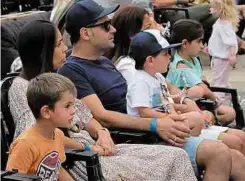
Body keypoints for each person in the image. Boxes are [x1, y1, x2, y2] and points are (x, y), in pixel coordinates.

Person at [59, 1, 245, 180]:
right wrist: (156, 124)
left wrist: (179, 108)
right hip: (130, 139)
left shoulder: (105, 62)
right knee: (219, 153)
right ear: (85, 33)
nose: (113, 29)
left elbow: (150, 94)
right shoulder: (72, 69)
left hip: (147, 131)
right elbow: (102, 116)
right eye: (106, 25)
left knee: (236, 156)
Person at [8, 20, 198, 180]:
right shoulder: (22, 89)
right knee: (169, 162)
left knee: (176, 156)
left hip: (96, 148)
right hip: (81, 162)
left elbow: (83, 112)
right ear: (43, 50)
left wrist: (102, 132)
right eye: (59, 44)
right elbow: (36, 139)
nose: (65, 48)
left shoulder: (53, 78)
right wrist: (90, 148)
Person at [128, 28, 245, 156]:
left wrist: (179, 112)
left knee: (240, 136)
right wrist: (174, 117)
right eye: (166, 53)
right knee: (199, 120)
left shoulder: (158, 77)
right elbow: (144, 112)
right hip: (154, 133)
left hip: (168, 123)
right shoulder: (140, 81)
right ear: (150, 60)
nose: (170, 56)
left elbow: (167, 103)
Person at [167, 19, 237, 126]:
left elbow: (202, 79)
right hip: (183, 105)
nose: (202, 46)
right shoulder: (181, 65)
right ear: (185, 43)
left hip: (198, 102)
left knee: (229, 113)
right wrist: (216, 100)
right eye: (199, 41)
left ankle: (210, 121)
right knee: (228, 112)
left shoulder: (193, 58)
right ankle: (206, 122)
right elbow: (203, 88)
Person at [6, 73, 75, 180]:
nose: (73, 111)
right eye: (67, 106)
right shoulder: (25, 145)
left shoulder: (58, 135)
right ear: (46, 112)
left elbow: (58, 169)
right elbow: (12, 179)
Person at [208, 0, 240, 102]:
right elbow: (217, 39)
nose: (211, 10)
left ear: (221, 9)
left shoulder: (224, 24)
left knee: (218, 81)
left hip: (222, 58)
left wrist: (232, 55)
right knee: (222, 79)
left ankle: (218, 100)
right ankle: (232, 96)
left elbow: (230, 42)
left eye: (213, 8)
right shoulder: (220, 22)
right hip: (218, 56)